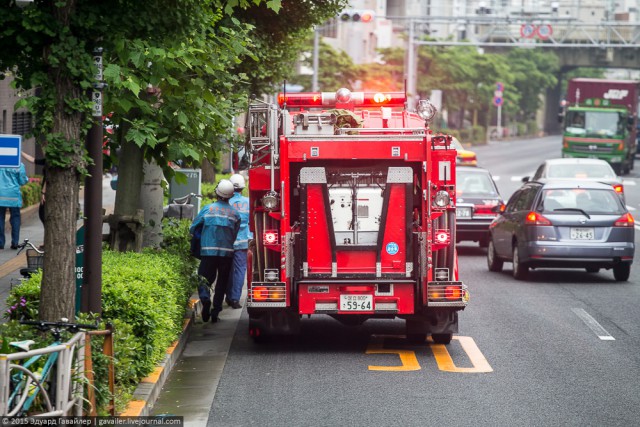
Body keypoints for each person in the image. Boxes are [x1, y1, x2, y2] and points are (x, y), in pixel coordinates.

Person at [190, 179, 240, 323]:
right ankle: (215, 311)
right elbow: (234, 235)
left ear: (217, 192)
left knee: (203, 279)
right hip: (227, 254)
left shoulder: (207, 209)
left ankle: (205, 299)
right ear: (230, 196)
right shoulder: (235, 214)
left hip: (208, 253)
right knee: (222, 283)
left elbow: (193, 228)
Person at [225, 174, 253, 309]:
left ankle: (228, 296)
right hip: (242, 242)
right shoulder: (249, 202)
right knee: (240, 270)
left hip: (226, 242)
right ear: (243, 187)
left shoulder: (225, 203)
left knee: (227, 270)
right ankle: (235, 299)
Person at [0, 162, 29, 249]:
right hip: (14, 196)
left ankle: (1, 243)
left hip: (0, 195)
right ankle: (15, 242)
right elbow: (22, 181)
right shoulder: (19, 164)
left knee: (0, 218)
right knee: (15, 218)